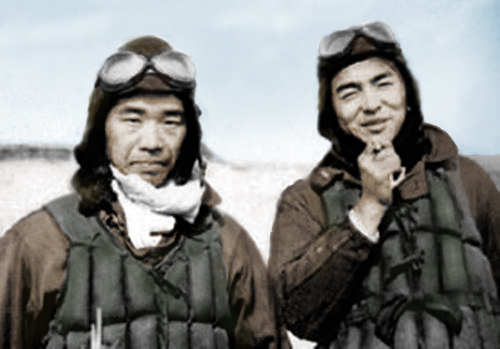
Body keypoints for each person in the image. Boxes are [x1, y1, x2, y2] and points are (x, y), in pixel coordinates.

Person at [0, 36, 289, 349]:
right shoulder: (38, 243)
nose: (152, 142)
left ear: (188, 135)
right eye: (132, 119)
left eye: (171, 120)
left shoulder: (228, 244)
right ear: (102, 129)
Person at [269, 21, 500, 348]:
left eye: (383, 83)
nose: (371, 104)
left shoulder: (469, 179)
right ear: (333, 112)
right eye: (349, 92)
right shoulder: (304, 200)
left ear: (407, 94)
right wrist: (368, 209)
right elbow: (297, 316)